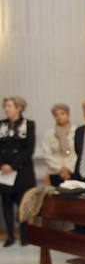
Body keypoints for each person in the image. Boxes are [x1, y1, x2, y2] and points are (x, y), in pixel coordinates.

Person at [0, 96, 36, 246]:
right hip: (4, 172)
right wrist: (3, 164)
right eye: (5, 106)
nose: (6, 109)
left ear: (19, 108)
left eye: (9, 106)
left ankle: (24, 235)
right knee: (7, 204)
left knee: (23, 204)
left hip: (22, 172)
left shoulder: (28, 124)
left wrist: (13, 165)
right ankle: (10, 235)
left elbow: (29, 148)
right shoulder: (2, 125)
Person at [41, 104, 76, 186]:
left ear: (68, 115)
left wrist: (68, 168)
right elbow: (47, 154)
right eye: (56, 115)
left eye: (62, 113)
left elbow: (76, 152)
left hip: (72, 170)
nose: (59, 117)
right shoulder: (49, 133)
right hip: (55, 171)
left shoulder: (76, 131)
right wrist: (61, 169)